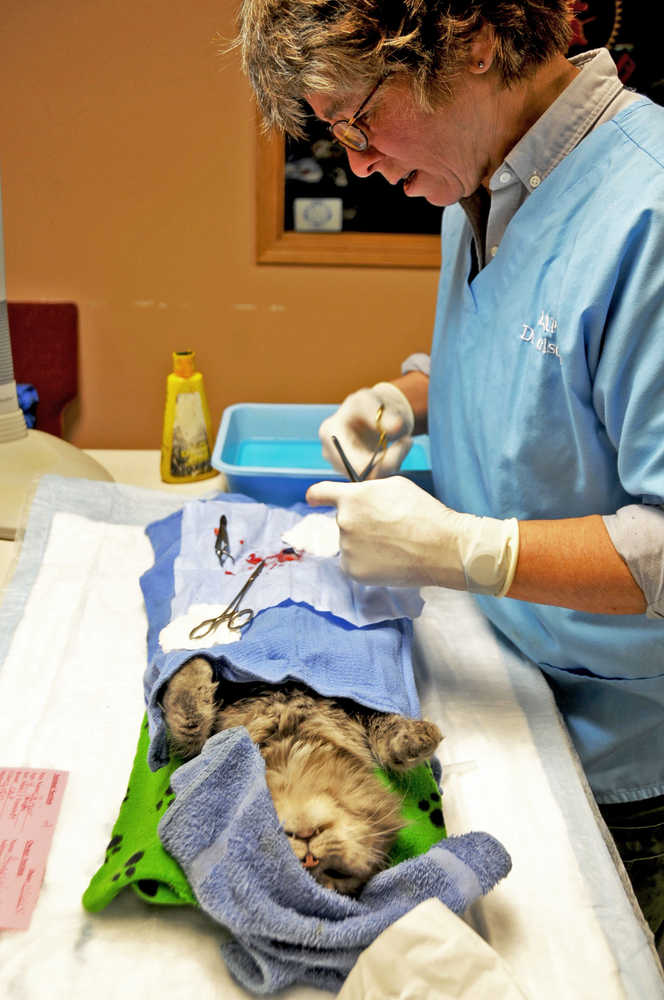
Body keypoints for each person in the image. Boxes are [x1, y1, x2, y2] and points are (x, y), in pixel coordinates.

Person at [238, 0, 664, 946]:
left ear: (471, 40)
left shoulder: (649, 213)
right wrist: (407, 395)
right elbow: (530, 356)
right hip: (503, 687)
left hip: (629, 760)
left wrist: (467, 548)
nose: (354, 162)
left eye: (359, 119)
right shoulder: (482, 177)